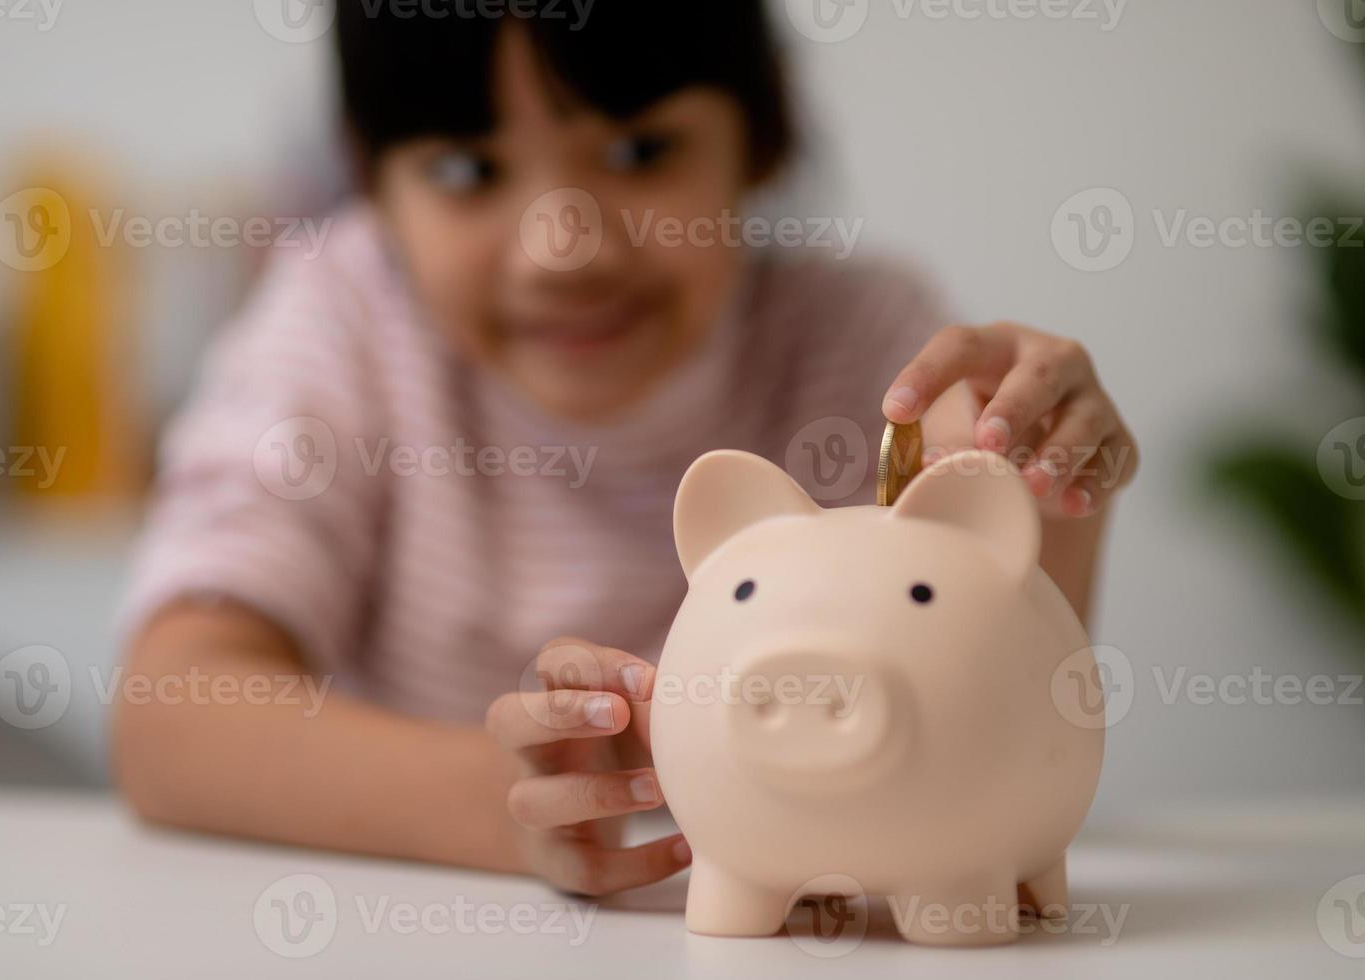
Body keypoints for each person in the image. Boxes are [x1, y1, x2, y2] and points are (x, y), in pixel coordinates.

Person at [113, 1, 1138, 898]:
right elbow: (171, 713)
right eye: (469, 171)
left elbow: (1007, 721)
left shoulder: (865, 344)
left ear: (763, 133)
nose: (562, 248)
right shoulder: (340, 328)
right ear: (370, 184)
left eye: (641, 151)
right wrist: (501, 804)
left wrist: (1039, 485)